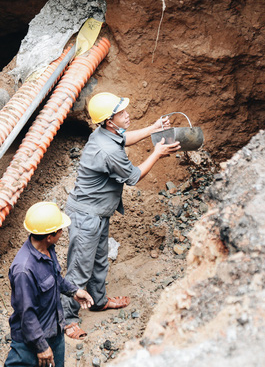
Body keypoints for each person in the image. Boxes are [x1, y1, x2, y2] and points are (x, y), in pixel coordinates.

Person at [61, 92, 181, 340]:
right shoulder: (107, 150)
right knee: (79, 270)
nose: (128, 114)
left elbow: (125, 139)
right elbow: (134, 177)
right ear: (109, 121)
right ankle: (66, 319)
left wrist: (154, 128)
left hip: (98, 212)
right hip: (86, 216)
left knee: (99, 260)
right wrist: (157, 152)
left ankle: (98, 301)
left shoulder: (105, 134)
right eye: (121, 112)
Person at [5, 202, 94, 367]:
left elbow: (55, 278)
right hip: (30, 343)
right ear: (49, 236)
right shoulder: (24, 270)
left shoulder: (48, 249)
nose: (62, 233)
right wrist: (41, 347)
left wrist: (74, 291)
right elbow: (27, 314)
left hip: (54, 332)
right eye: (60, 230)